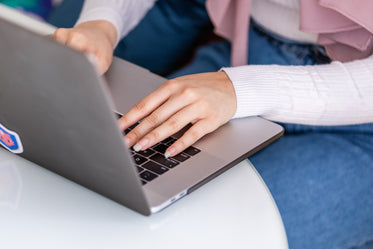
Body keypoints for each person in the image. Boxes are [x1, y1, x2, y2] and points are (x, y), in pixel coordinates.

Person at [48, 1, 373, 248]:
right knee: (102, 182)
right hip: (247, 56)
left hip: (360, 121)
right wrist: (101, 24)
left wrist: (239, 90)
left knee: (201, 236)